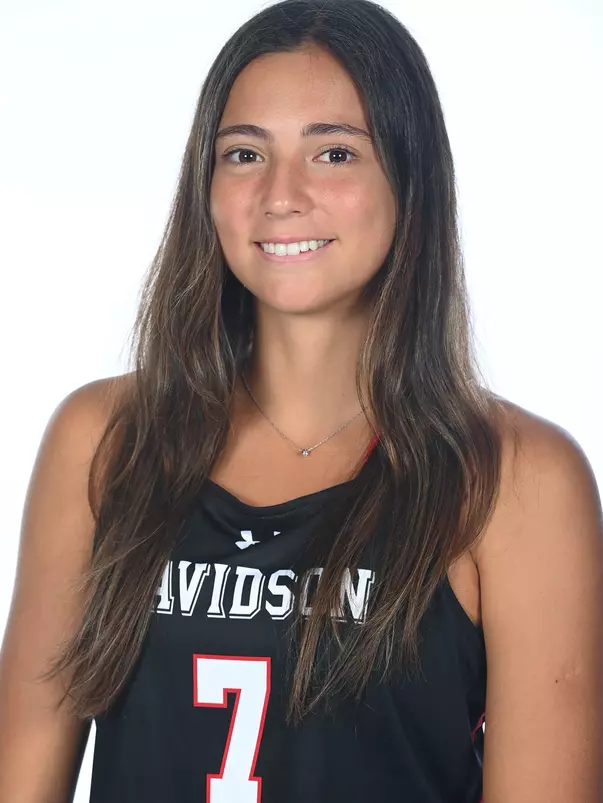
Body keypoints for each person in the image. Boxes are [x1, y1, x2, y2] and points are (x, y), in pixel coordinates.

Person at [1, 0, 602, 801]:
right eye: (244, 153)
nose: (280, 194)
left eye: (333, 153)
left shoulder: (515, 479)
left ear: (409, 175)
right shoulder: (105, 440)